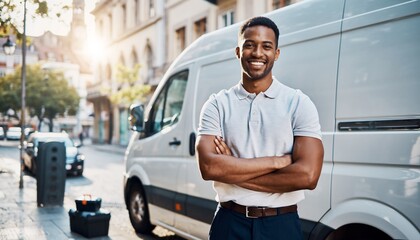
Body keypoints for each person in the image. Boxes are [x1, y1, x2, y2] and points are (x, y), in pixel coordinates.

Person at [196, 16, 324, 240]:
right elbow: (209, 167)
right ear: (238, 51)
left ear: (276, 53)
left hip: (281, 225)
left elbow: (308, 176)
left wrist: (232, 170)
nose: (257, 53)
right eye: (249, 45)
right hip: (229, 221)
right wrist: (277, 162)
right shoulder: (216, 104)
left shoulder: (298, 103)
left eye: (266, 46)